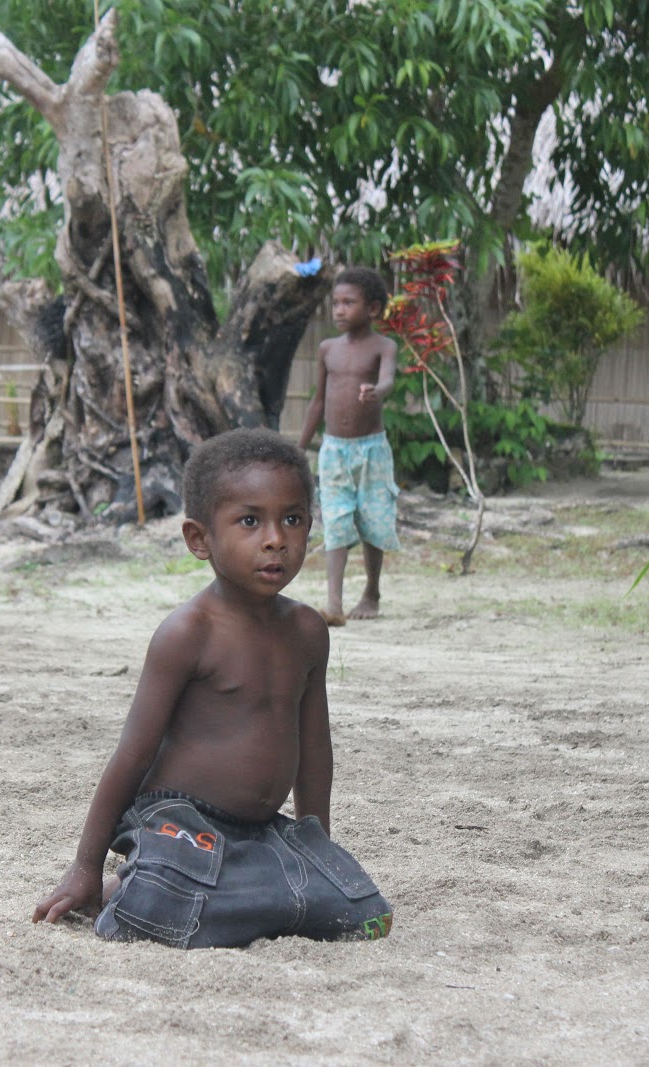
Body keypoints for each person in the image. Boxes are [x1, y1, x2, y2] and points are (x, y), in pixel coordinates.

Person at [33, 428, 393, 948]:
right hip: (181, 820)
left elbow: (315, 751)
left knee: (364, 914)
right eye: (250, 521)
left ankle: (232, 894)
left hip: (260, 828)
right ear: (200, 540)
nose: (275, 538)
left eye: (292, 519)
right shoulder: (188, 634)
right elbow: (133, 753)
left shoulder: (308, 632)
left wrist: (318, 850)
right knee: (158, 906)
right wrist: (84, 866)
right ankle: (126, 884)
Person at [298, 267, 401, 625]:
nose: (338, 310)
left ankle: (371, 591)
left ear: (372, 309)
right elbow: (316, 402)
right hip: (333, 450)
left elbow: (388, 379)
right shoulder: (328, 349)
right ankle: (334, 604)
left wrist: (377, 391)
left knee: (373, 519)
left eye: (348, 303)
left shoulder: (384, 346)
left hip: (372, 450)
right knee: (337, 519)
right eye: (335, 303)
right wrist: (299, 448)